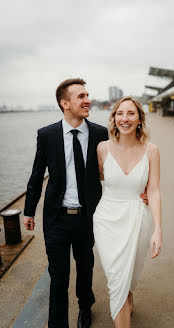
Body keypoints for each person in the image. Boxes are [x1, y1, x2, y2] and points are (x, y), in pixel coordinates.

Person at [23, 78, 109, 328]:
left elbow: (112, 170)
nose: (87, 100)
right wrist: (29, 211)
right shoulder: (47, 135)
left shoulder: (99, 133)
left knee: (85, 268)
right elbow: (37, 175)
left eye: (87, 95)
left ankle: (85, 306)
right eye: (81, 96)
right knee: (58, 276)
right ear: (65, 103)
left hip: (87, 217)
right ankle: (57, 323)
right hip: (57, 218)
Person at [93, 97, 162, 328]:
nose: (125, 118)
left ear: (140, 119)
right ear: (113, 118)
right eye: (120, 113)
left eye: (131, 113)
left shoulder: (152, 151)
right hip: (107, 221)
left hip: (138, 219)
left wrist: (158, 231)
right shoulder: (102, 149)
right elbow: (98, 183)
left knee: (130, 273)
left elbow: (153, 191)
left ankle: (129, 294)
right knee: (116, 280)